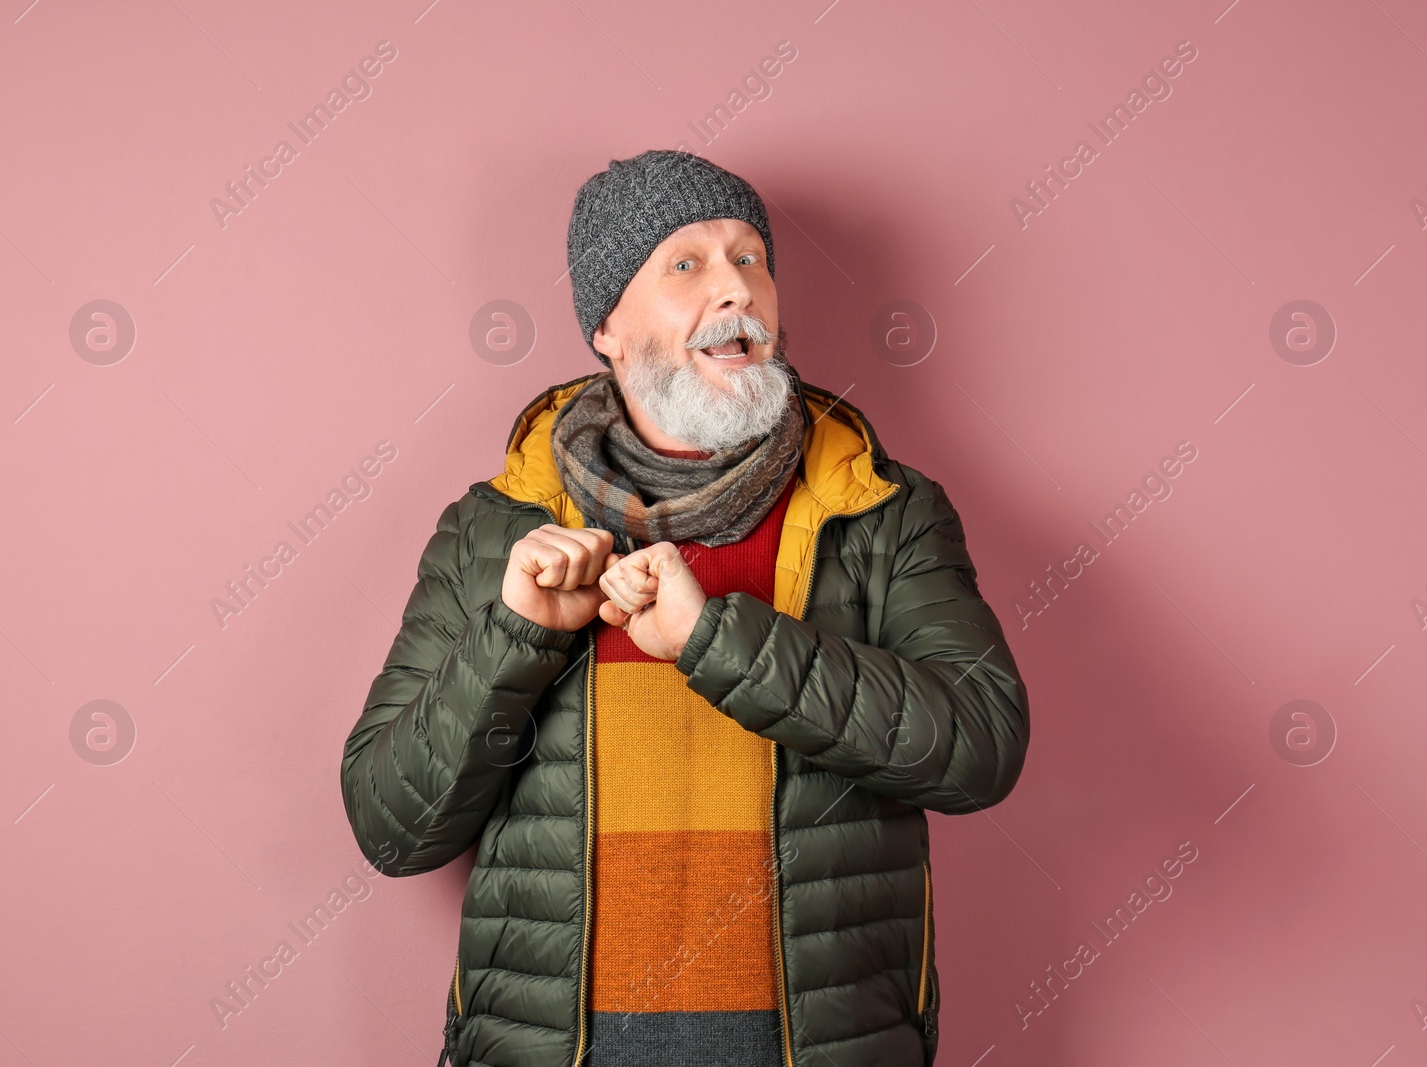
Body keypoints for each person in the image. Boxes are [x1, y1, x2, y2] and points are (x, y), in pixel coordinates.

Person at [339, 148, 1030, 1067]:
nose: (737, 291)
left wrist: (715, 639)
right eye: (687, 264)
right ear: (608, 328)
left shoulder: (880, 510)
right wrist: (515, 638)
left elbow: (981, 749)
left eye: (751, 259)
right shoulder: (497, 528)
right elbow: (394, 828)